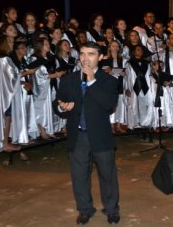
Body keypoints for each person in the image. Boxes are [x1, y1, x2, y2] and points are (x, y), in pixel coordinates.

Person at [54, 42, 120, 225]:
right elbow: (57, 102)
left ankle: (112, 209)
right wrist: (62, 107)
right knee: (79, 176)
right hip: (78, 135)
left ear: (100, 57)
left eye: (91, 54)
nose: (85, 58)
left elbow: (108, 104)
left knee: (107, 175)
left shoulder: (109, 81)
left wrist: (91, 80)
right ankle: (85, 209)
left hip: (100, 135)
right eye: (82, 54)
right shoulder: (69, 79)